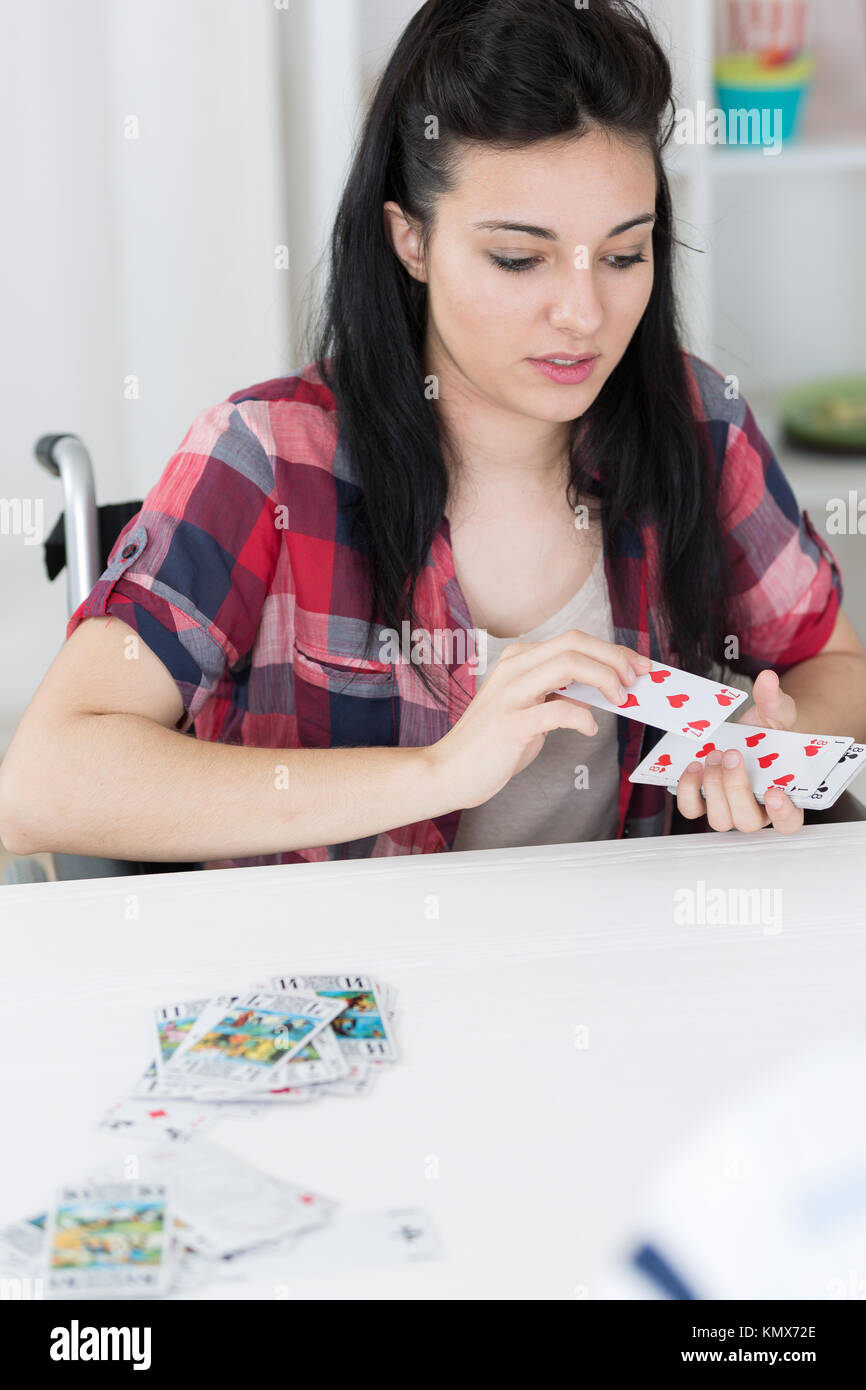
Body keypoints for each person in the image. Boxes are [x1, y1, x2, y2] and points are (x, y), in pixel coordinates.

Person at [2, 0, 865, 872]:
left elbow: (834, 665)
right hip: (348, 982)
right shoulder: (265, 456)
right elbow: (39, 786)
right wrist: (437, 772)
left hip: (620, 982)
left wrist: (760, 740)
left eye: (623, 255)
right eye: (519, 258)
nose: (583, 314)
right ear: (410, 238)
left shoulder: (697, 418)